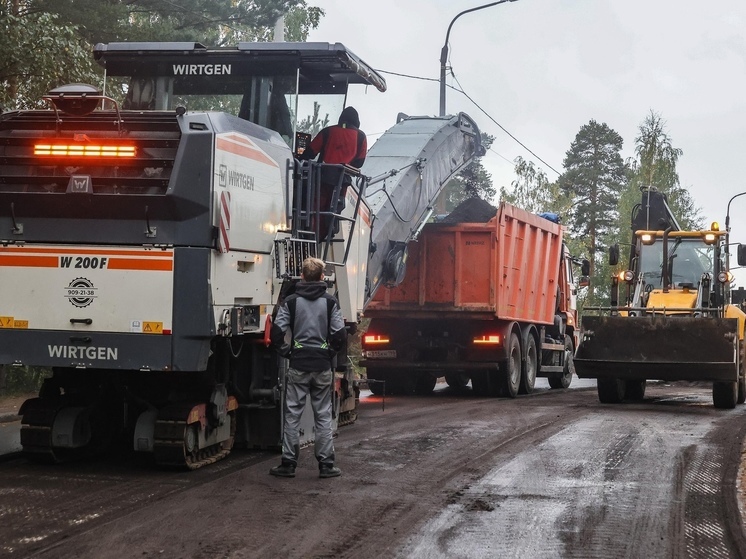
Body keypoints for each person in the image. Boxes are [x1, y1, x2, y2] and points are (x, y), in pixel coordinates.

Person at [269, 257, 347, 479]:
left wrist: (287, 351)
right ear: (323, 277)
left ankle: (288, 464)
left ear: (302, 276)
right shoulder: (331, 303)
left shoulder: (291, 302)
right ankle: (326, 465)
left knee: (293, 414)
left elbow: (276, 333)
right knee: (323, 415)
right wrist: (329, 352)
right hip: (322, 366)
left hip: (298, 365)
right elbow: (340, 336)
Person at [299, 106, 367, 238]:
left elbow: (310, 152)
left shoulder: (328, 131)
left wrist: (298, 160)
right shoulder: (361, 136)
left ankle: (310, 233)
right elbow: (359, 162)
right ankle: (325, 233)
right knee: (334, 209)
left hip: (321, 178)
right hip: (342, 181)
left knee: (316, 208)